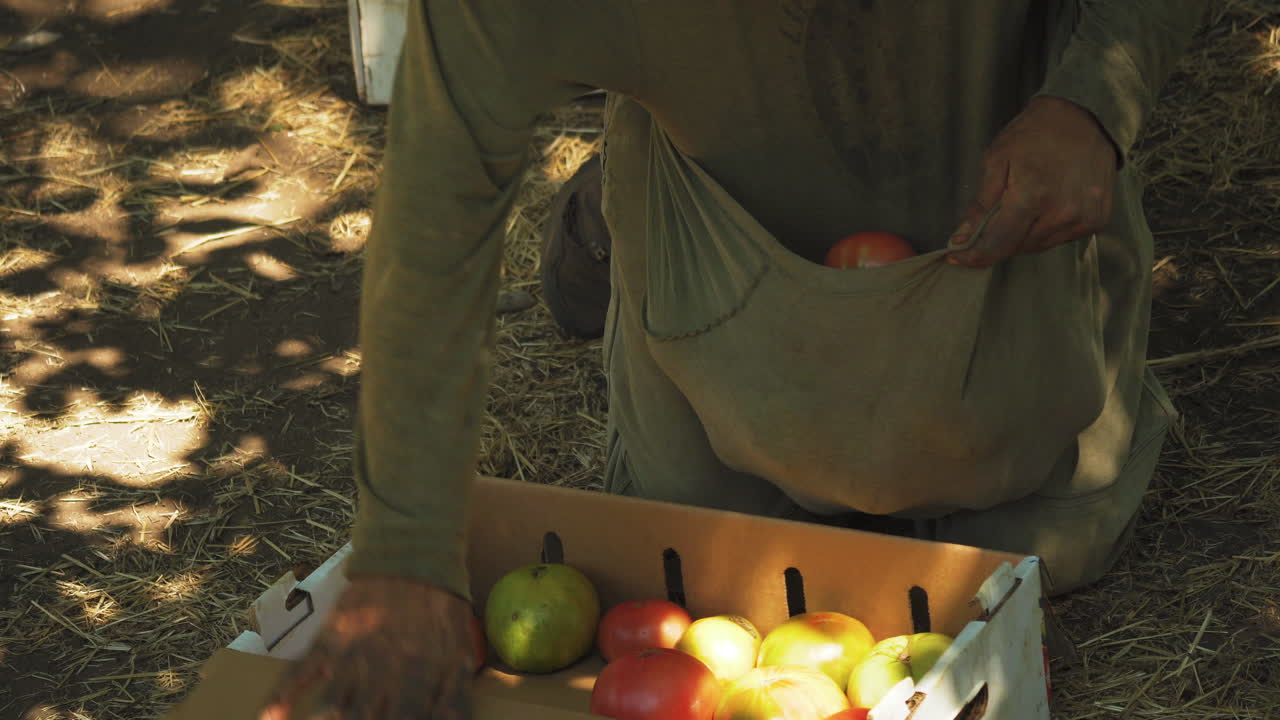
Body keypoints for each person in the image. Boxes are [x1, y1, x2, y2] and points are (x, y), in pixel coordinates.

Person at [259, 1, 1204, 717]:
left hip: (992, 157)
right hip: (719, 222)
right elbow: (435, 216)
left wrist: (1095, 103)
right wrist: (407, 552)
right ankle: (615, 210)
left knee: (1041, 548)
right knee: (697, 546)